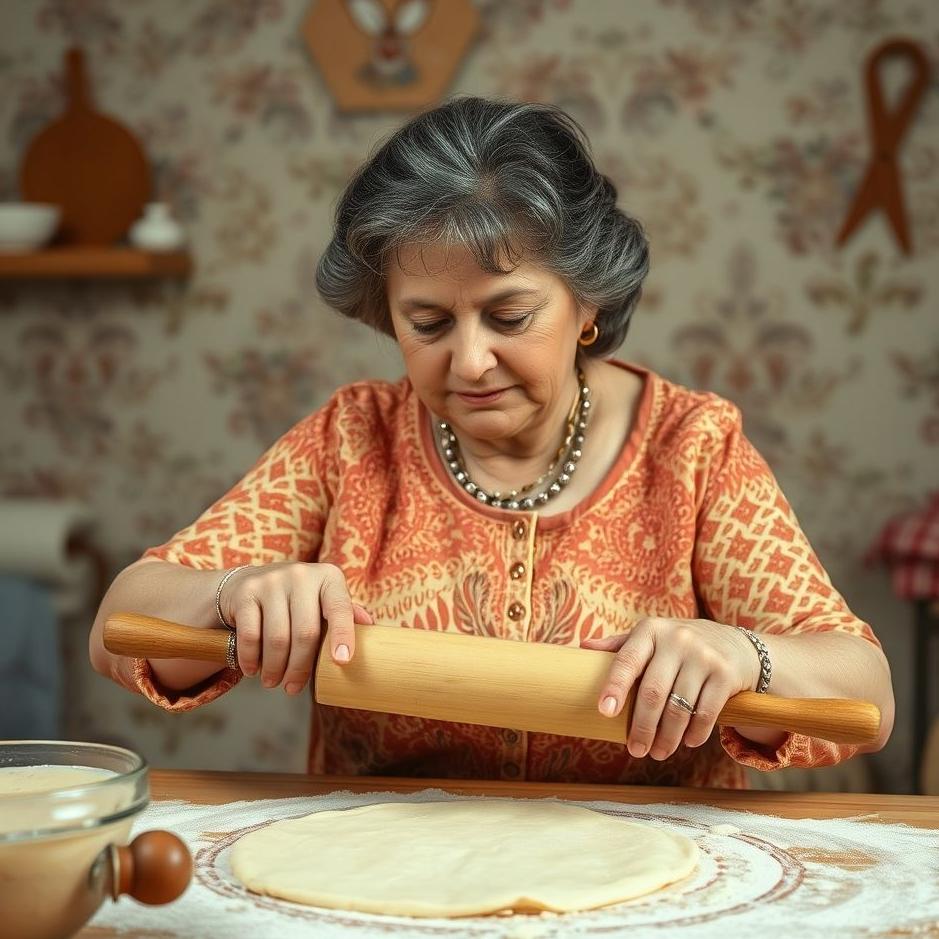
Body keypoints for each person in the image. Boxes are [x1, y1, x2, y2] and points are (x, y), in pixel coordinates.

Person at [89, 96, 894, 788]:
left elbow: (866, 697)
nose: (469, 361)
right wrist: (230, 594)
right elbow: (118, 626)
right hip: (382, 880)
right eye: (427, 323)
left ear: (588, 304)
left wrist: (744, 656)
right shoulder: (351, 439)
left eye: (509, 317)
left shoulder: (691, 448)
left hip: (650, 880)